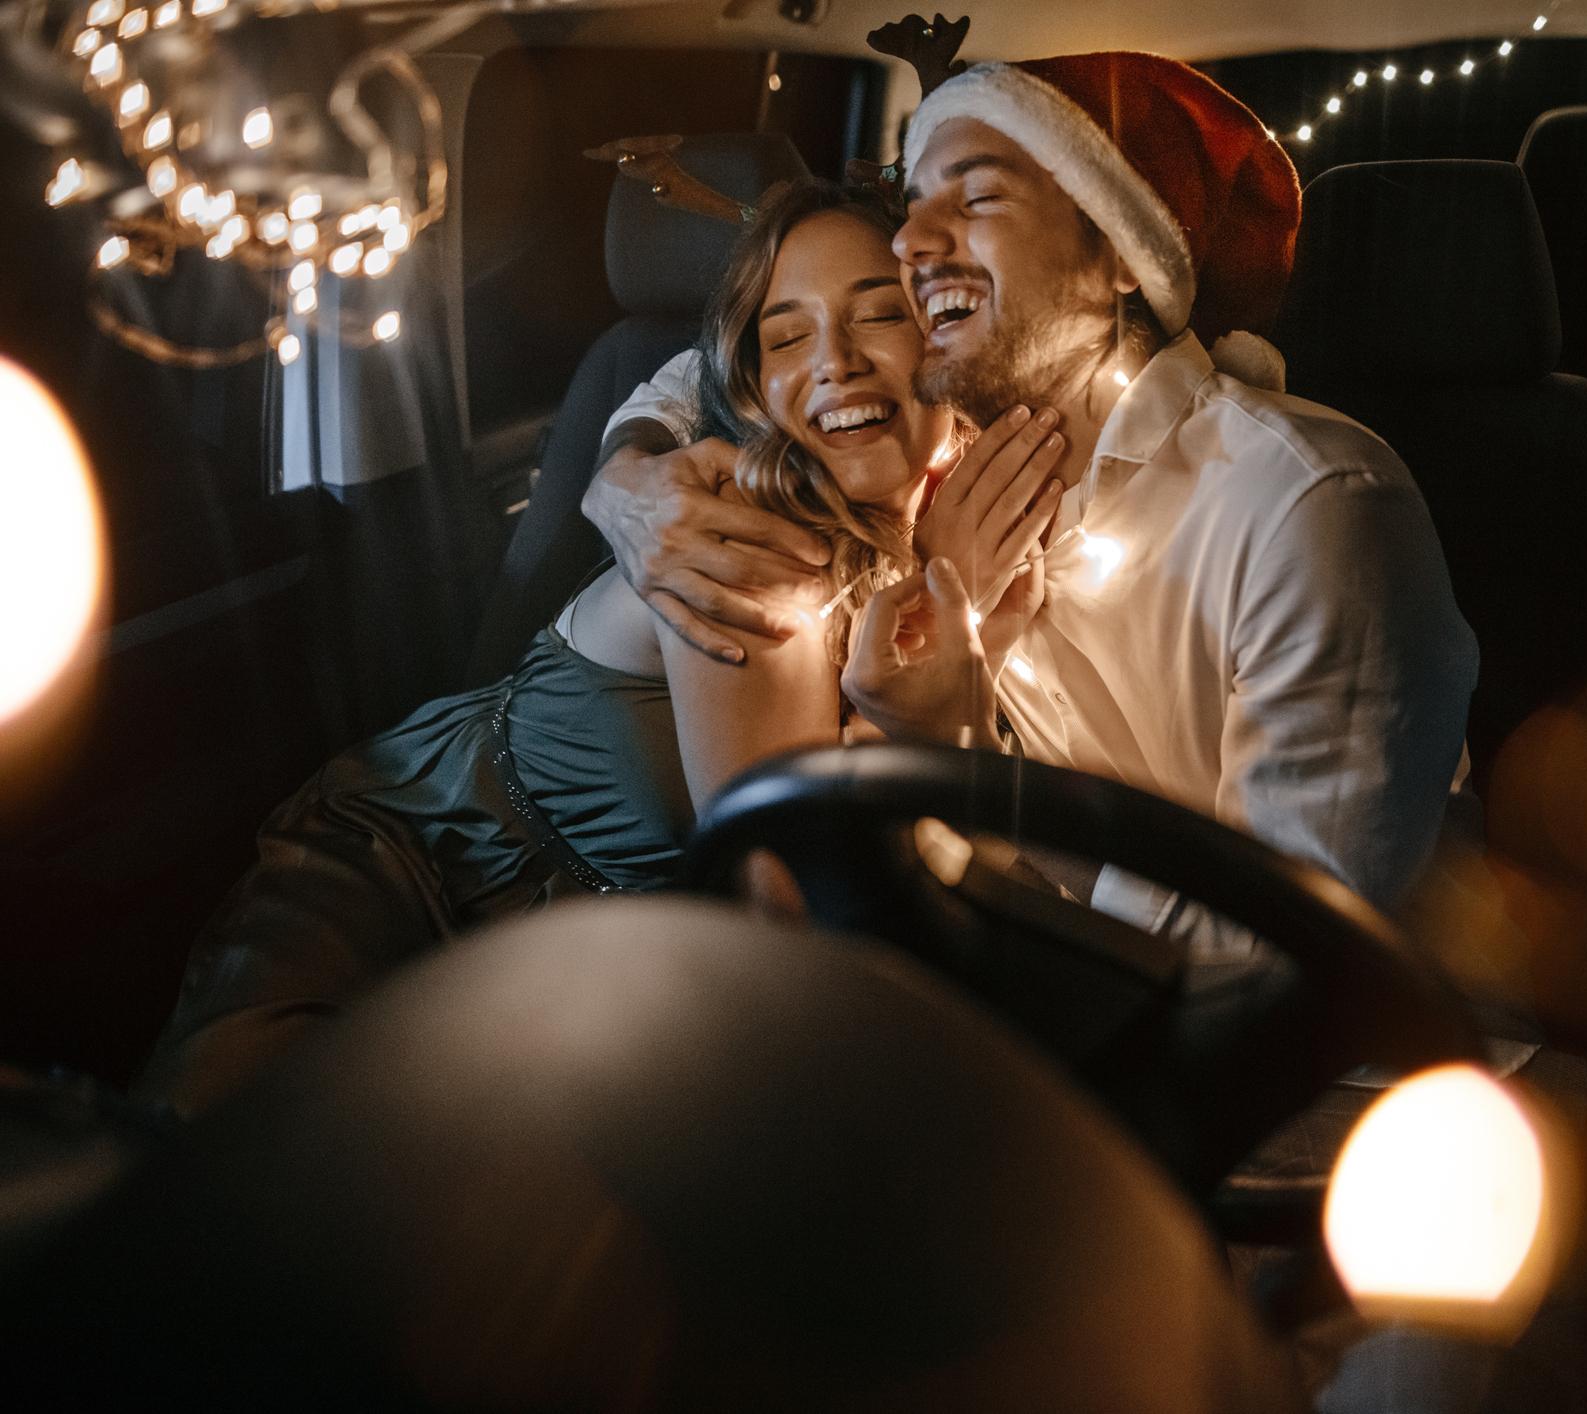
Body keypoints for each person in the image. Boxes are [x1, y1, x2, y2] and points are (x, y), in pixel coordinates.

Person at [137, 179, 1060, 1113]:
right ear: (754, 388)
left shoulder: (977, 525)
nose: (836, 363)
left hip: (581, 978)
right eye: (786, 336)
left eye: (881, 316)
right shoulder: (744, 543)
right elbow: (786, 909)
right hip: (408, 874)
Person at [588, 52, 1480, 954]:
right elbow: (744, 370)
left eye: (975, 200)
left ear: (1120, 254)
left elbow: (1284, 963)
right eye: (914, 211)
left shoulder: (1306, 506)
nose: (910, 246)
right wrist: (625, 467)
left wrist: (963, 768)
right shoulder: (965, 479)